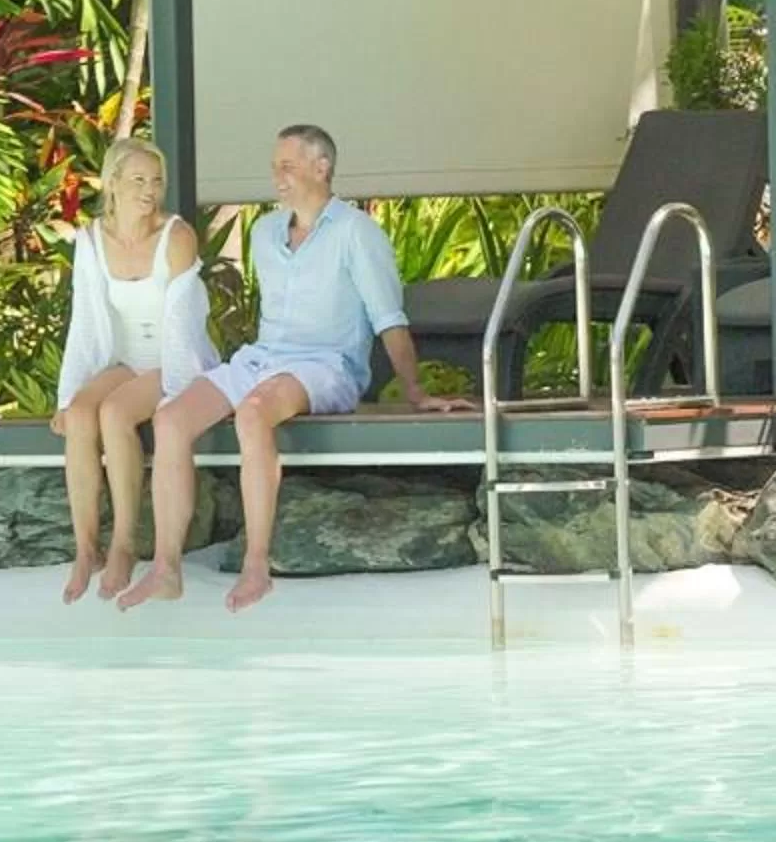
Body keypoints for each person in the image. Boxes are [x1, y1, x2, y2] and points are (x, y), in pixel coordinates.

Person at [119, 124, 466, 614]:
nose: (276, 177)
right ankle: (166, 568)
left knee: (254, 412)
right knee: (170, 418)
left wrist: (414, 390)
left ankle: (257, 564)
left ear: (321, 167)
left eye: (287, 166)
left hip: (327, 365)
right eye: (274, 167)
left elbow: (388, 318)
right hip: (264, 357)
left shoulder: (356, 232)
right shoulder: (264, 233)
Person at [49, 138, 212, 602]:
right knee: (81, 414)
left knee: (116, 414)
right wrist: (66, 397)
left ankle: (123, 543)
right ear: (113, 183)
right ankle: (85, 549)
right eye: (139, 179)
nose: (150, 190)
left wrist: (179, 394)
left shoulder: (176, 236)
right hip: (124, 360)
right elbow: (85, 322)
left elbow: (183, 328)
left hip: (174, 361)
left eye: (157, 181)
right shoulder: (92, 240)